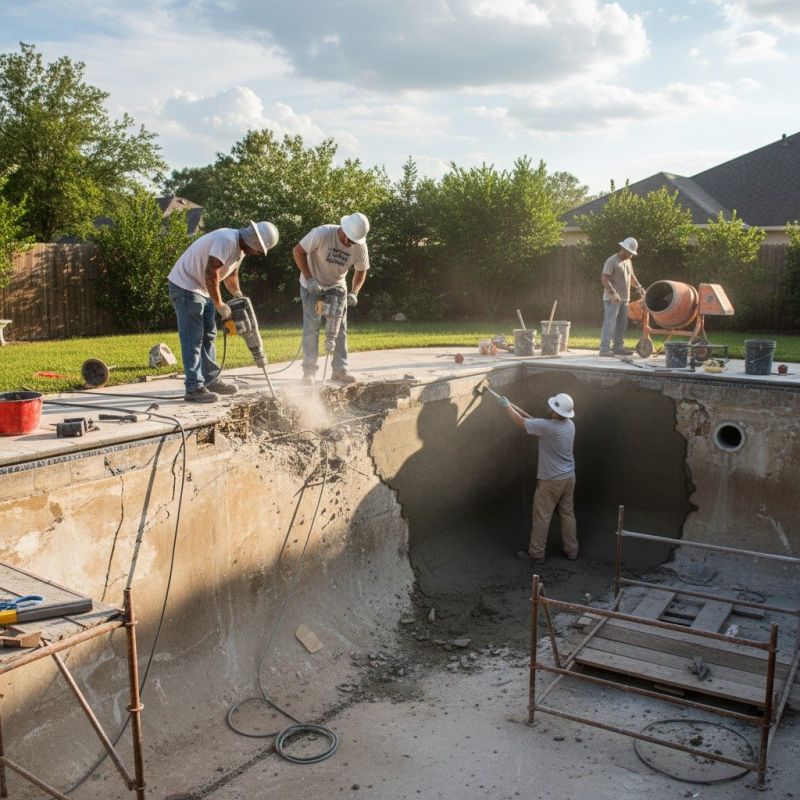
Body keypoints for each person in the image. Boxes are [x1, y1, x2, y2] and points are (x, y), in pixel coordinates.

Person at [168, 220, 279, 403]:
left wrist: (237, 294)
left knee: (209, 336)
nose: (259, 253)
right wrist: (219, 303)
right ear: (254, 241)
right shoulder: (227, 240)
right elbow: (211, 272)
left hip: (203, 288)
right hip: (186, 286)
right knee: (193, 337)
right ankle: (194, 388)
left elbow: (230, 273)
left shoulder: (240, 249)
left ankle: (211, 379)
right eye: (259, 249)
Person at [497, 392, 578, 565]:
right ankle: (572, 551)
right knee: (567, 514)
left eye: (553, 406)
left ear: (557, 412)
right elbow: (541, 425)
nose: (550, 407)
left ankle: (536, 554)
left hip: (551, 480)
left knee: (542, 516)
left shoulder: (547, 427)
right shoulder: (570, 425)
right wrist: (537, 424)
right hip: (569, 477)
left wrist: (507, 406)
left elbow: (520, 422)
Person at [292, 212, 370, 384]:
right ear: (343, 228)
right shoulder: (322, 233)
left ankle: (340, 371)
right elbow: (298, 251)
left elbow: (361, 270)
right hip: (315, 289)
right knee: (313, 325)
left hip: (336, 290)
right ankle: (309, 372)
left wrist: (354, 293)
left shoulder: (359, 246)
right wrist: (309, 278)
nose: (350, 244)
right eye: (348, 239)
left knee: (339, 327)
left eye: (354, 241)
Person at [599, 236, 644, 356]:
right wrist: (613, 293)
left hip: (625, 299)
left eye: (632, 253)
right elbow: (604, 278)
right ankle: (604, 349)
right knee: (610, 323)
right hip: (612, 300)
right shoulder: (611, 261)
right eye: (630, 253)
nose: (631, 255)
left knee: (622, 324)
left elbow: (631, 276)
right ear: (623, 249)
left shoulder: (628, 261)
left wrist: (639, 287)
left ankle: (618, 347)